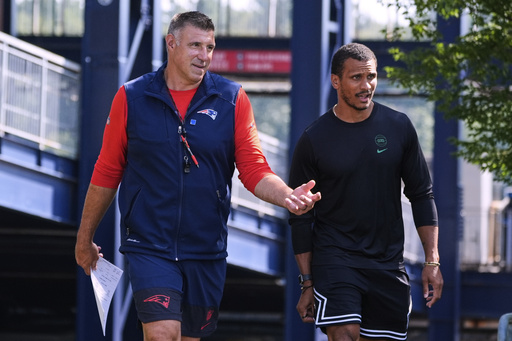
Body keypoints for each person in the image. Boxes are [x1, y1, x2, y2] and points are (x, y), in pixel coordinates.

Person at [75, 11, 321, 341]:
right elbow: (107, 170)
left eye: (210, 47)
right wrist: (84, 236)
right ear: (171, 44)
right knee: (163, 334)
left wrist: (287, 196)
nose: (204, 56)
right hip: (149, 245)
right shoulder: (132, 97)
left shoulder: (232, 99)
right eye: (195, 45)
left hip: (206, 248)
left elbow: (253, 168)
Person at [288, 43, 443, 341]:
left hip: (387, 263)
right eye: (356, 78)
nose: (366, 85)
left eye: (371, 76)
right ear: (336, 81)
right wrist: (307, 283)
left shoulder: (399, 127)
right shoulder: (313, 139)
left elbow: (422, 195)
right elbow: (299, 218)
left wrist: (432, 261)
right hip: (335, 258)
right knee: (344, 333)